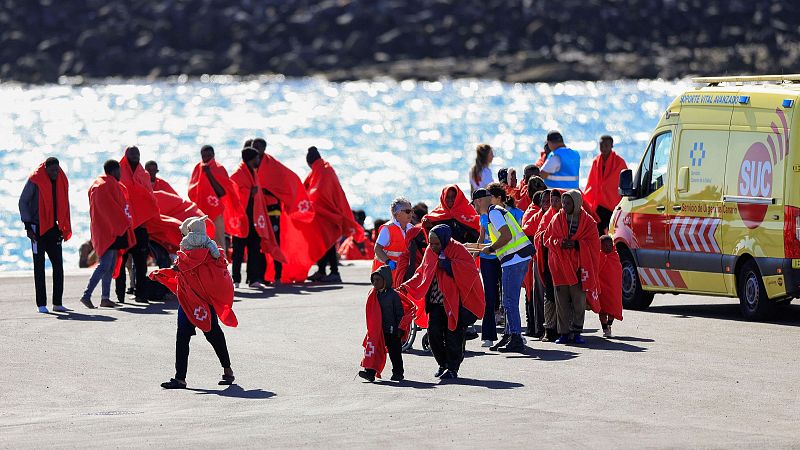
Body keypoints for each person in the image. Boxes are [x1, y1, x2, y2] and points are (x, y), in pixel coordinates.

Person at [151, 221, 239, 390]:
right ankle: (221, 371)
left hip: (194, 302)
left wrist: (164, 273)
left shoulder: (187, 253)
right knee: (211, 335)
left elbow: (181, 270)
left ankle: (183, 378)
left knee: (188, 338)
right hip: (198, 301)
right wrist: (164, 273)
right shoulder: (213, 254)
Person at [399, 225, 485, 379]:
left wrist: (448, 265)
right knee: (434, 335)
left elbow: (470, 272)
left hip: (455, 303)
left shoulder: (458, 250)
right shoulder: (430, 252)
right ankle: (442, 364)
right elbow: (422, 272)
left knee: (454, 336)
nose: (433, 247)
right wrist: (407, 286)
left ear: (445, 240)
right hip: (435, 302)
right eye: (431, 243)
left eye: (436, 244)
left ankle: (452, 368)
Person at [473, 183, 535, 353]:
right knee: (508, 300)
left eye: (474, 205)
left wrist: (491, 248)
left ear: (479, 202)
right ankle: (509, 334)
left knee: (508, 301)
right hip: (518, 257)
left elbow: (506, 235)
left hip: (514, 259)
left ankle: (515, 337)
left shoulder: (493, 213)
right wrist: (478, 248)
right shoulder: (497, 211)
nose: (475, 209)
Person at [543, 190, 601, 344]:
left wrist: (576, 244)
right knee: (561, 302)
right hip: (560, 267)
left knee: (578, 301)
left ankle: (576, 332)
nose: (564, 206)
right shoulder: (556, 219)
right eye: (564, 202)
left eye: (568, 203)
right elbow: (547, 239)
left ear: (576, 203)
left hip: (579, 268)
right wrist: (559, 243)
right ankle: (563, 333)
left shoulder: (588, 222)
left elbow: (594, 244)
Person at [18, 157, 72, 313]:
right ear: (46, 169)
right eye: (53, 170)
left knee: (58, 266)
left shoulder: (60, 179)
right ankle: (41, 304)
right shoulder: (35, 180)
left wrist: (63, 227)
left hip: (53, 229)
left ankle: (57, 303)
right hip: (37, 228)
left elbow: (64, 204)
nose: (56, 173)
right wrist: (28, 226)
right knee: (39, 267)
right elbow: (22, 202)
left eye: (57, 170)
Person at [303, 146, 364, 283]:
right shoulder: (322, 170)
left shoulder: (323, 171)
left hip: (329, 215)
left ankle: (334, 272)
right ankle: (321, 270)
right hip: (324, 215)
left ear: (311, 162)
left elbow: (319, 194)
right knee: (323, 244)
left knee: (328, 244)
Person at [80, 160, 135, 309]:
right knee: (105, 264)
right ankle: (87, 295)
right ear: (114, 171)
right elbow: (113, 209)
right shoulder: (107, 185)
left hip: (106, 229)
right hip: (110, 231)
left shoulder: (98, 184)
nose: (120, 174)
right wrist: (121, 225)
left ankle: (105, 298)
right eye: (119, 171)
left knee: (110, 265)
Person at [117, 145, 159, 303]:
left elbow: (149, 196)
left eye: (137, 154)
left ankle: (141, 295)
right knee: (121, 262)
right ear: (126, 155)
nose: (135, 156)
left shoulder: (144, 174)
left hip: (140, 226)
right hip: (124, 227)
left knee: (141, 263)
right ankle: (120, 295)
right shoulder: (119, 171)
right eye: (132, 154)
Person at [358, 265, 415, 382]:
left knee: (395, 354)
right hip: (378, 331)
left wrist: (401, 328)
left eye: (378, 280)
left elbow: (399, 313)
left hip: (392, 331)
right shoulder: (373, 294)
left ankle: (398, 373)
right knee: (374, 351)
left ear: (386, 280)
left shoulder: (393, 295)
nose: (375, 282)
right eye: (373, 280)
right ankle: (370, 372)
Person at [188, 145, 239, 250]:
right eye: (204, 156)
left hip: (216, 211)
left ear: (213, 155)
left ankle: (221, 265)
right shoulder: (198, 168)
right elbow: (191, 191)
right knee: (201, 243)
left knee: (218, 241)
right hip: (201, 212)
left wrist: (209, 174)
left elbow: (222, 192)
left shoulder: (219, 168)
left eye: (209, 156)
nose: (206, 158)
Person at [252, 138, 284, 282]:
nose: (256, 149)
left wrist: (263, 191)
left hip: (272, 210)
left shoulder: (273, 166)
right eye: (254, 146)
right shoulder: (251, 166)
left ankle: (278, 275)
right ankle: (261, 276)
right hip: (257, 211)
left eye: (258, 147)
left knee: (275, 243)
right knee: (260, 244)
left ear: (264, 148)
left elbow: (281, 189)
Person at [583, 135, 628, 234]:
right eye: (601, 145)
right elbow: (591, 182)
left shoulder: (619, 162)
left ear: (612, 146)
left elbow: (625, 182)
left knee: (613, 232)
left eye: (606, 145)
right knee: (597, 230)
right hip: (598, 203)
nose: (603, 148)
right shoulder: (596, 161)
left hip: (613, 203)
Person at [373, 197, 415, 273]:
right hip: (384, 274)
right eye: (408, 211)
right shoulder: (387, 229)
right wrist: (388, 262)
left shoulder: (411, 228)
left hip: (401, 272)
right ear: (397, 214)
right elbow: (377, 249)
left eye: (411, 211)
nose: (411, 214)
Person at [598, 235, 623, 337]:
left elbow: (618, 272)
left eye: (610, 245)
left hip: (613, 288)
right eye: (605, 245)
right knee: (602, 308)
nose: (608, 247)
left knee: (613, 307)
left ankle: (609, 324)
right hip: (602, 288)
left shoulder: (615, 256)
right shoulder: (598, 256)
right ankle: (604, 327)